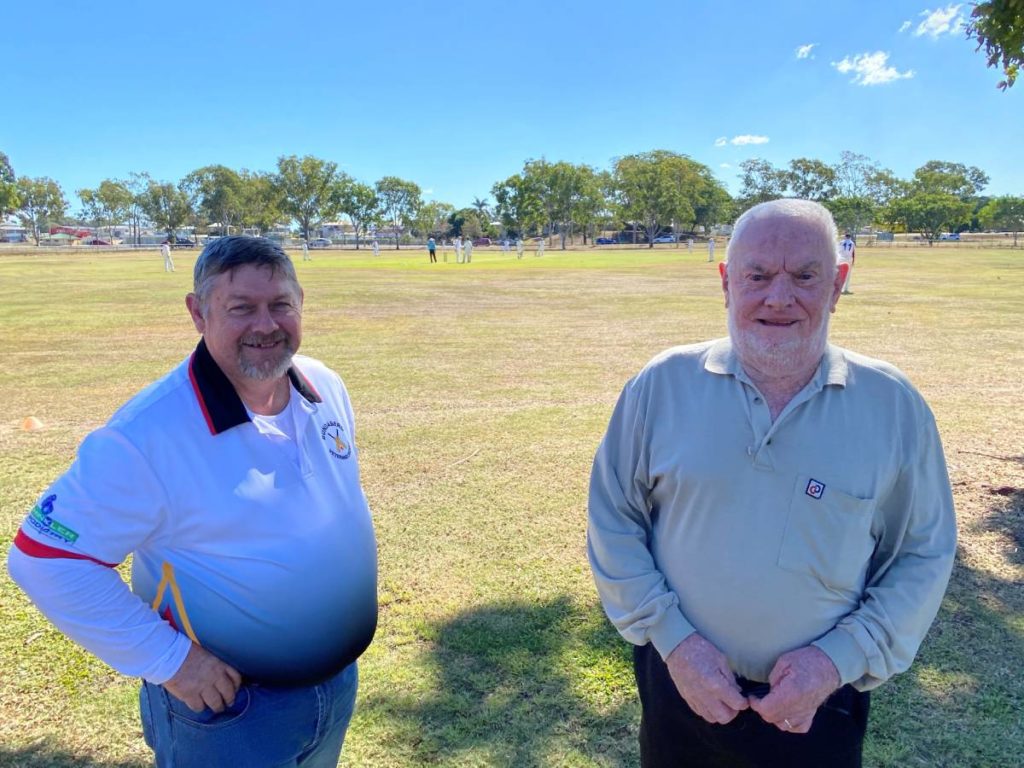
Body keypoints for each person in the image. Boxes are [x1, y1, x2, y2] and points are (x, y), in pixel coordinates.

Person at [587, 199, 956, 768]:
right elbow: (615, 520)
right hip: (678, 683)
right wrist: (675, 642)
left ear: (837, 284)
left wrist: (837, 660)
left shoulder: (893, 406)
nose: (778, 297)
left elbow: (923, 552)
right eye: (757, 275)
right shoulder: (660, 385)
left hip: (821, 699)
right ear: (726, 282)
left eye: (804, 276)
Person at [8, 236, 378, 768]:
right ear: (197, 313)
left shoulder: (325, 384)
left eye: (280, 305)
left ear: (301, 303)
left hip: (335, 686)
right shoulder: (146, 434)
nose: (266, 325)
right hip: (230, 715)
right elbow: (45, 560)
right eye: (241, 308)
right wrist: (171, 661)